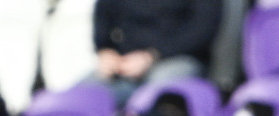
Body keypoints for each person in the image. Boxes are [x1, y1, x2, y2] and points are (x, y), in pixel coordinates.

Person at [90, 0, 222, 105]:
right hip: (125, 63)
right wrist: (106, 51)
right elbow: (103, 15)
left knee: (153, 98)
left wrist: (151, 56)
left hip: (177, 58)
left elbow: (202, 32)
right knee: (84, 95)